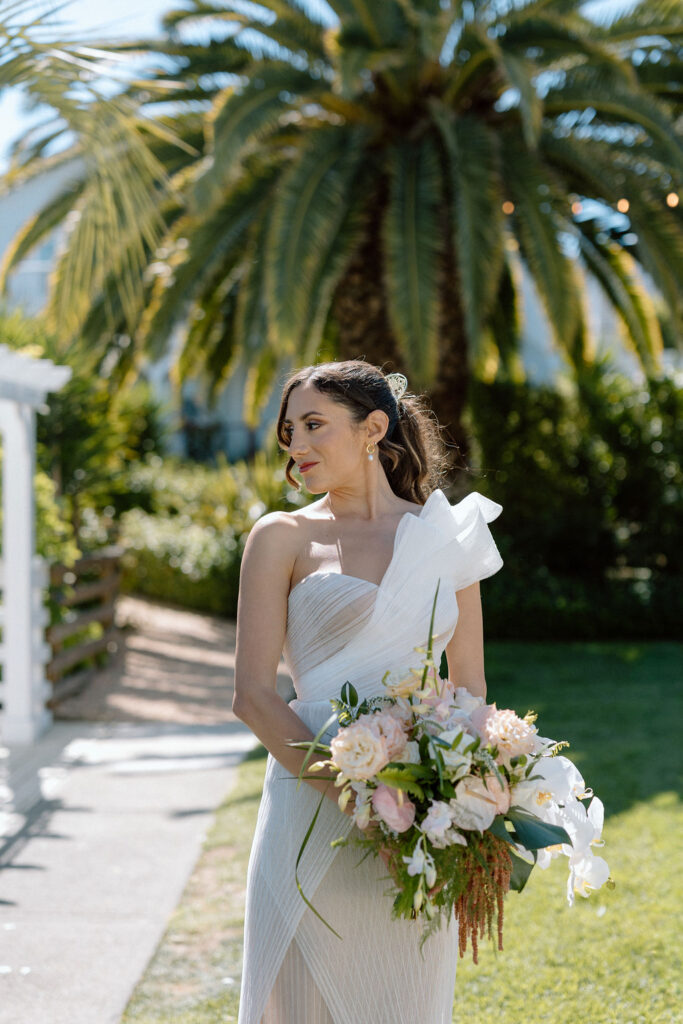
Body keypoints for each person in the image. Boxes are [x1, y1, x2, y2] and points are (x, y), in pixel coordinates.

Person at [233, 359, 504, 1023]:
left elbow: (467, 693)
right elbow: (252, 696)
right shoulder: (282, 537)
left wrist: (466, 810)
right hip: (310, 814)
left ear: (372, 428)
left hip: (419, 831)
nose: (294, 444)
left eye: (313, 424)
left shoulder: (447, 537)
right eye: (288, 429)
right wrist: (360, 801)